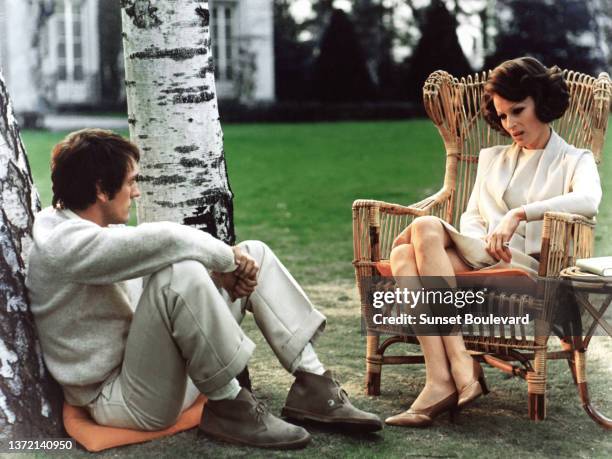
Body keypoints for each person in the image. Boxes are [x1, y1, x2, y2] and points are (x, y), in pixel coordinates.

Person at [26, 128, 382, 449]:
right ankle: (230, 406)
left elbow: (154, 254)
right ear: (102, 189)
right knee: (180, 273)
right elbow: (166, 240)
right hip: (123, 400)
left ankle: (313, 383)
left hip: (152, 369)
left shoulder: (81, 231)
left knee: (254, 252)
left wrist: (227, 269)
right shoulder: (65, 246)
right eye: (131, 181)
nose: (136, 191)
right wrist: (227, 261)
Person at [384, 57, 602, 427]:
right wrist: (479, 240)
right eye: (502, 116)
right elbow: (471, 215)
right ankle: (447, 375)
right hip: (481, 251)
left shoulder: (573, 159)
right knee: (407, 252)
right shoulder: (492, 158)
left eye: (518, 110)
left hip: (525, 263)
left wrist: (519, 214)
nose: (510, 124)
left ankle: (452, 372)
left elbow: (588, 201)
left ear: (542, 102)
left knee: (415, 241)